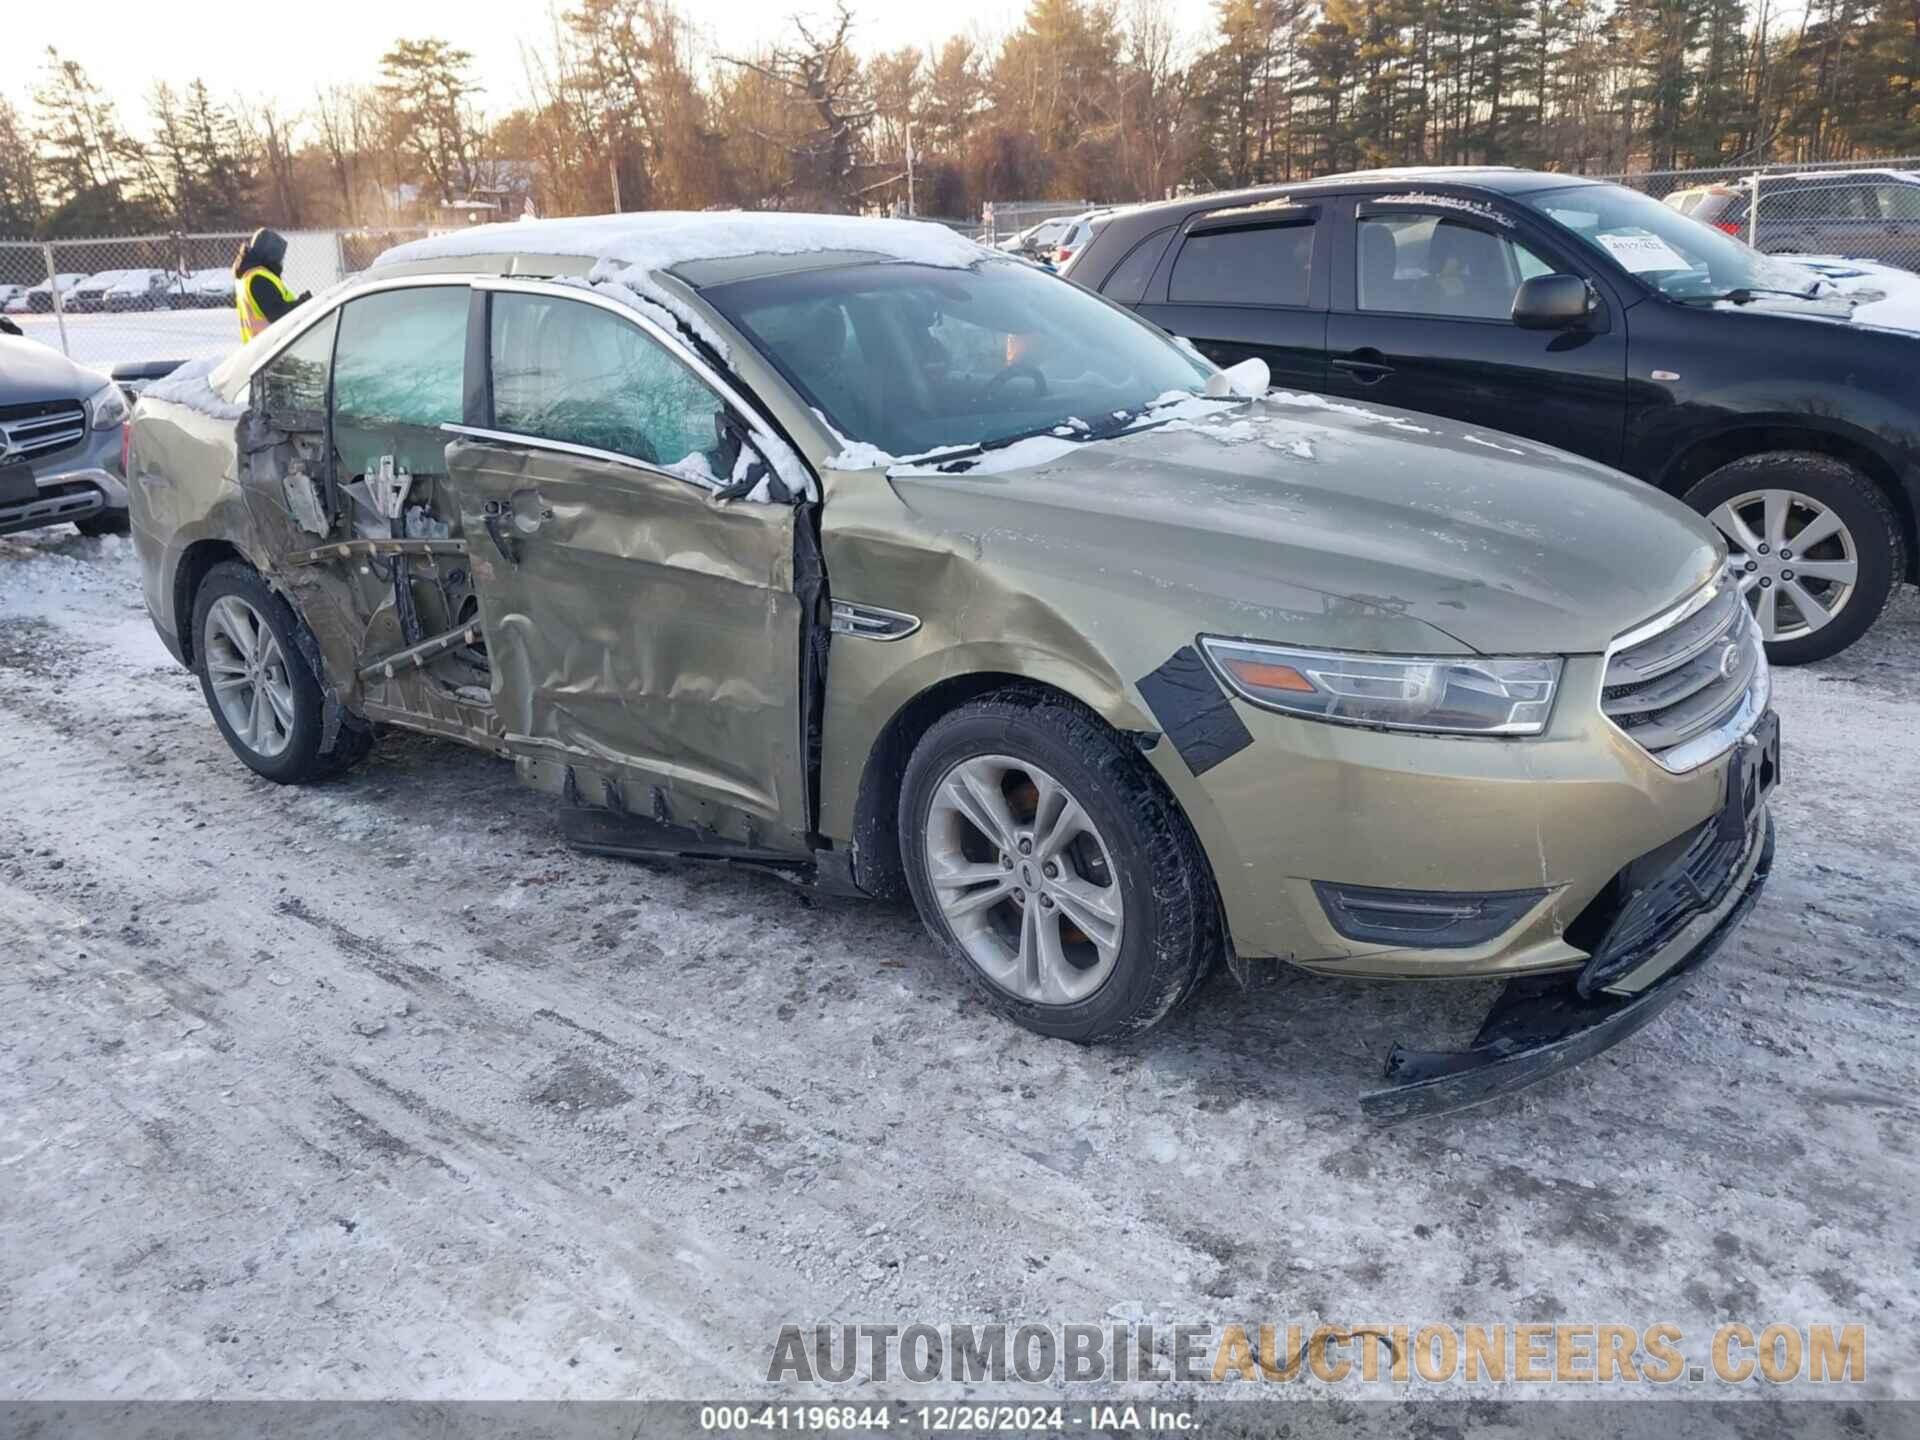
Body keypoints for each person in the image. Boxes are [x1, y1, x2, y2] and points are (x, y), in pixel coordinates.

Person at [232, 228, 309, 342]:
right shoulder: (258, 278)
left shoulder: (247, 276)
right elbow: (278, 314)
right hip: (272, 345)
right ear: (270, 254)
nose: (280, 261)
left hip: (261, 346)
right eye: (279, 257)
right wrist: (303, 303)